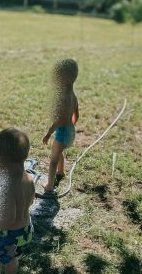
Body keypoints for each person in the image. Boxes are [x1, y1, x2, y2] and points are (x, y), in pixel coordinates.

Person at [0, 128, 34, 274]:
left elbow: (9, 218)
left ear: (3, 161)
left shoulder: (8, 187)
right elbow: (30, 201)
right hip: (25, 231)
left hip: (10, 234)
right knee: (12, 257)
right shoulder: (29, 178)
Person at [42, 59, 79, 194]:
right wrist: (71, 126)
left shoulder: (62, 97)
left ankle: (49, 185)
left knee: (53, 159)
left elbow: (59, 120)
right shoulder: (72, 95)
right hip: (70, 131)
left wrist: (49, 133)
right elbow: (76, 114)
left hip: (62, 132)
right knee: (59, 152)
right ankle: (61, 172)